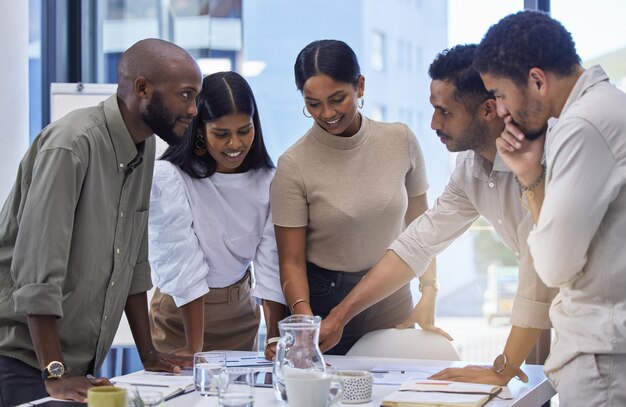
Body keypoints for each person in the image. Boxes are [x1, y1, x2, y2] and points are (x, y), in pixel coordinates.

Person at [319, 44, 557, 385]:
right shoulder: (470, 168)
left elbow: (537, 271)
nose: (433, 123)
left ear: (488, 110)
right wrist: (340, 317)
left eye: (445, 112)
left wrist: (501, 370)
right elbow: (417, 243)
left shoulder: (543, 158)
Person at [0, 38, 202, 405]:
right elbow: (36, 273)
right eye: (185, 95)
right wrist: (55, 373)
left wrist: (149, 354)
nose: (192, 109)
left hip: (71, 364)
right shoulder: (72, 144)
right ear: (143, 89)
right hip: (23, 362)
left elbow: (133, 267)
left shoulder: (144, 147)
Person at [474, 10, 626, 405]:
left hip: (603, 357)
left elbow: (556, 266)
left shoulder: (583, 126)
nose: (501, 111)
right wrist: (528, 174)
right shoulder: (603, 109)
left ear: (537, 80)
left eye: (501, 95)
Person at [270, 39, 435, 355]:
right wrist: (305, 321)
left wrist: (429, 289)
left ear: (359, 86)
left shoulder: (401, 140)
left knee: (396, 397)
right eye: (313, 103)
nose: (327, 113)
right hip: (324, 302)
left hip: (392, 296)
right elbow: (290, 261)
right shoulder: (293, 166)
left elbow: (423, 229)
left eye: (337, 99)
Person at [148, 71, 286, 361]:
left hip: (238, 314)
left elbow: (271, 264)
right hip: (180, 316)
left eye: (244, 131)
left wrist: (273, 335)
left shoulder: (269, 181)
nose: (235, 144)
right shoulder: (171, 178)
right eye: (221, 134)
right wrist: (193, 346)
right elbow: (182, 263)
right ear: (200, 129)